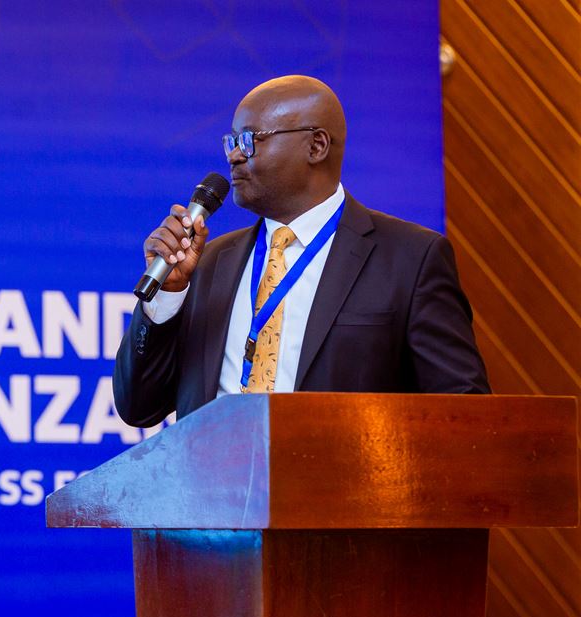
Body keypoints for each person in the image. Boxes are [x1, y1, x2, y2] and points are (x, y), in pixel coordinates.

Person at [113, 75, 489, 428]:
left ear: (316, 146)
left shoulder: (410, 259)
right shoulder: (209, 262)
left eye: (251, 139)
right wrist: (168, 295)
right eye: (232, 141)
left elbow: (464, 413)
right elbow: (139, 407)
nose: (235, 156)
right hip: (211, 477)